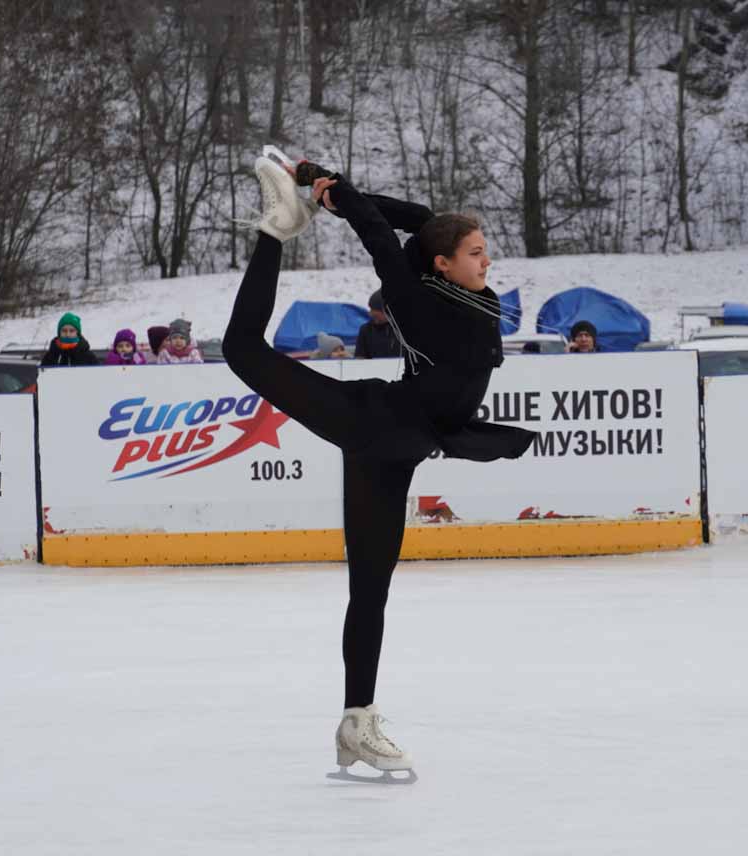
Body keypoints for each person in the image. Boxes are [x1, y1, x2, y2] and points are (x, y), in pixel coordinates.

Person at [221, 151, 534, 780]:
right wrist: (336, 206)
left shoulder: (463, 291)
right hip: (371, 422)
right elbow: (380, 237)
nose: (487, 260)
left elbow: (416, 221)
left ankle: (355, 721)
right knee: (242, 350)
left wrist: (326, 184)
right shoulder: (420, 303)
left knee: (371, 588)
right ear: (445, 264)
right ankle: (275, 231)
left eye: (484, 250)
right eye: (476, 252)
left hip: (396, 450)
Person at [354, 290, 401, 358]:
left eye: (374, 310)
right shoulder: (366, 330)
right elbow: (360, 357)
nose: (370, 313)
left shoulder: (405, 330)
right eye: (370, 309)